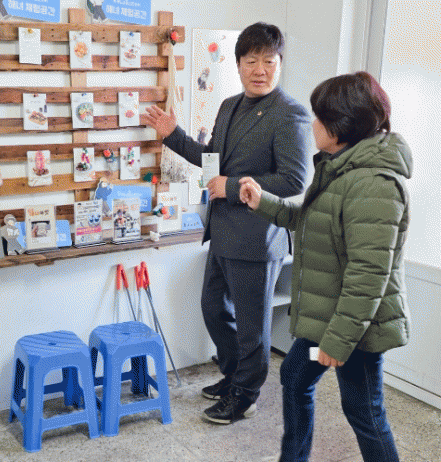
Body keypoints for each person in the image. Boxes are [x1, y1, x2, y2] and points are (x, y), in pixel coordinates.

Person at [144, 22, 310, 424]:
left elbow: (294, 180)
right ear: (238, 65)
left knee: (253, 327)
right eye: (251, 61)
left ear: (280, 63)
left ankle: (246, 395)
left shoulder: (290, 113)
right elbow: (211, 164)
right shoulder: (229, 105)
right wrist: (173, 135)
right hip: (222, 233)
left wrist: (232, 187)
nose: (260, 70)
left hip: (257, 237)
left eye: (268, 61)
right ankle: (235, 375)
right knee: (214, 308)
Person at [239, 71, 410, 462]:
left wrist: (337, 341)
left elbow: (368, 277)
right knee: (295, 375)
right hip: (328, 320)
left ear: (341, 125)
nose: (313, 124)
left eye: (320, 116)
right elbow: (312, 221)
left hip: (355, 330)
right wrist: (263, 201)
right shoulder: (341, 169)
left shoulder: (374, 183)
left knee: (364, 412)